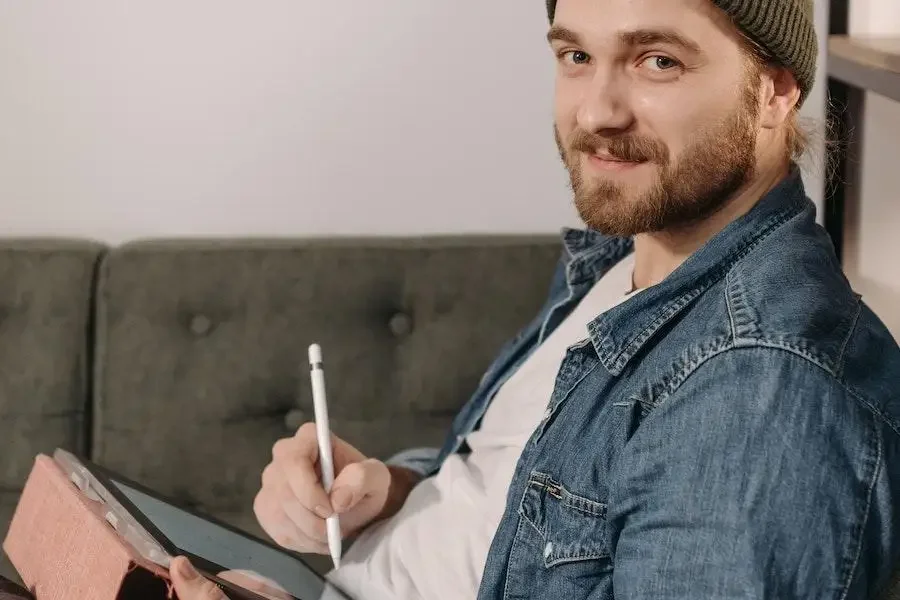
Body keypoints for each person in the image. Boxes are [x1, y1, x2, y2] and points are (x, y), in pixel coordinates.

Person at [171, 0, 900, 598]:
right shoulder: (625, 256)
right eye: (576, 57)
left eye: (658, 61)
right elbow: (514, 495)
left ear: (774, 92)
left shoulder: (759, 394)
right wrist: (386, 494)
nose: (596, 113)